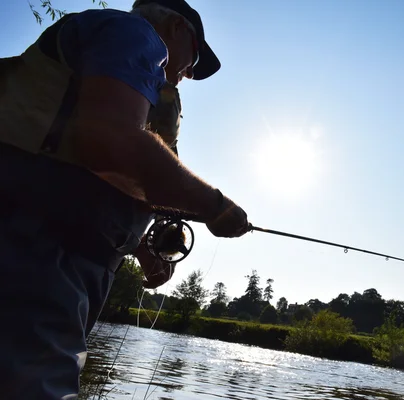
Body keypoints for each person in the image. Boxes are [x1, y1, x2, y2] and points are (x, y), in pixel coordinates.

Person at [0, 0, 249, 398]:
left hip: (54, 254)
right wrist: (215, 206)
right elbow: (109, 142)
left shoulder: (123, 70)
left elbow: (99, 173)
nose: (186, 74)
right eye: (193, 60)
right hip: (38, 249)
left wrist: (141, 250)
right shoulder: (136, 36)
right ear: (176, 28)